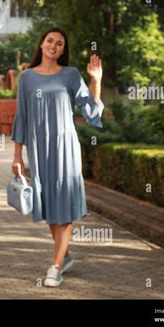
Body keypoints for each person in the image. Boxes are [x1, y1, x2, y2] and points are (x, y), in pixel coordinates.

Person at [11, 27, 104, 287]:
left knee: (63, 207)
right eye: (50, 41)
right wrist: (17, 155)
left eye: (59, 43)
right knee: (50, 205)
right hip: (39, 150)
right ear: (41, 44)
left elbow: (91, 112)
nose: (54, 45)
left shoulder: (70, 75)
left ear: (63, 50)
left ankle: (55, 266)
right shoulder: (27, 78)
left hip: (65, 148)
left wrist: (95, 80)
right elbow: (22, 118)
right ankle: (64, 254)